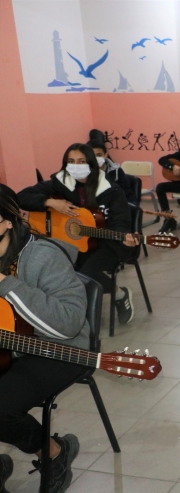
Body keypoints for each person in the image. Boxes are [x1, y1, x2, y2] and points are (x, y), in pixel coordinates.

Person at [0, 183, 89, 493]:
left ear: (6, 221)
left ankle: (53, 452)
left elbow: (69, 324)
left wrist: (5, 283)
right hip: (7, 348)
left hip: (57, 349)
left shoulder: (42, 256)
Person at [18, 143, 138, 325]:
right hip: (69, 242)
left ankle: (119, 294)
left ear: (91, 163)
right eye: (71, 161)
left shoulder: (111, 191)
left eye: (81, 161)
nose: (76, 165)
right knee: (49, 267)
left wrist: (125, 237)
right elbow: (21, 197)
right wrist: (50, 202)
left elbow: (120, 222)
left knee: (84, 274)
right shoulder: (58, 184)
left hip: (106, 243)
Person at [87, 139, 136, 205]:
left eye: (99, 155)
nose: (95, 158)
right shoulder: (82, 173)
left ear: (105, 155)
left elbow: (127, 195)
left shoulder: (116, 172)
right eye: (92, 156)